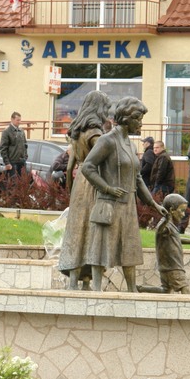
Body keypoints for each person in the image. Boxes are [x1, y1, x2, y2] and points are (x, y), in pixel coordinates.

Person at [82, 96, 167, 292]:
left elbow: (137, 178)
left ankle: (131, 289)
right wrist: (107, 188)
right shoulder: (107, 141)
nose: (141, 124)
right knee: (101, 248)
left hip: (128, 206)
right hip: (109, 204)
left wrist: (153, 204)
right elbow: (88, 167)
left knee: (130, 249)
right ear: (128, 119)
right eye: (139, 119)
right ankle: (96, 290)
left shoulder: (130, 144)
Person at [58, 90, 111, 290]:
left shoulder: (77, 132)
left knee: (76, 230)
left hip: (79, 183)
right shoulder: (95, 133)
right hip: (93, 181)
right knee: (92, 230)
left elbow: (69, 167)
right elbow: (103, 160)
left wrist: (70, 193)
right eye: (106, 108)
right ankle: (89, 280)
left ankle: (74, 279)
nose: (107, 112)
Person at [137, 194, 190, 294]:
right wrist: (167, 218)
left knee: (165, 291)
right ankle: (189, 307)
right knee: (185, 291)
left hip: (167, 267)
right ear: (171, 210)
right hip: (173, 267)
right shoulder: (165, 225)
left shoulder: (170, 225)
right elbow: (161, 230)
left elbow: (177, 238)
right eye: (181, 210)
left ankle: (141, 289)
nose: (183, 214)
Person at [0, 111, 27, 180]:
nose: (19, 122)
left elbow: (25, 145)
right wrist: (7, 163)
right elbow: (3, 148)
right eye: (18, 120)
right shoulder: (6, 132)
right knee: (13, 183)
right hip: (12, 162)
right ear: (12, 119)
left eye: (20, 120)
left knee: (22, 183)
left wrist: (25, 157)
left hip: (22, 162)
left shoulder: (22, 131)